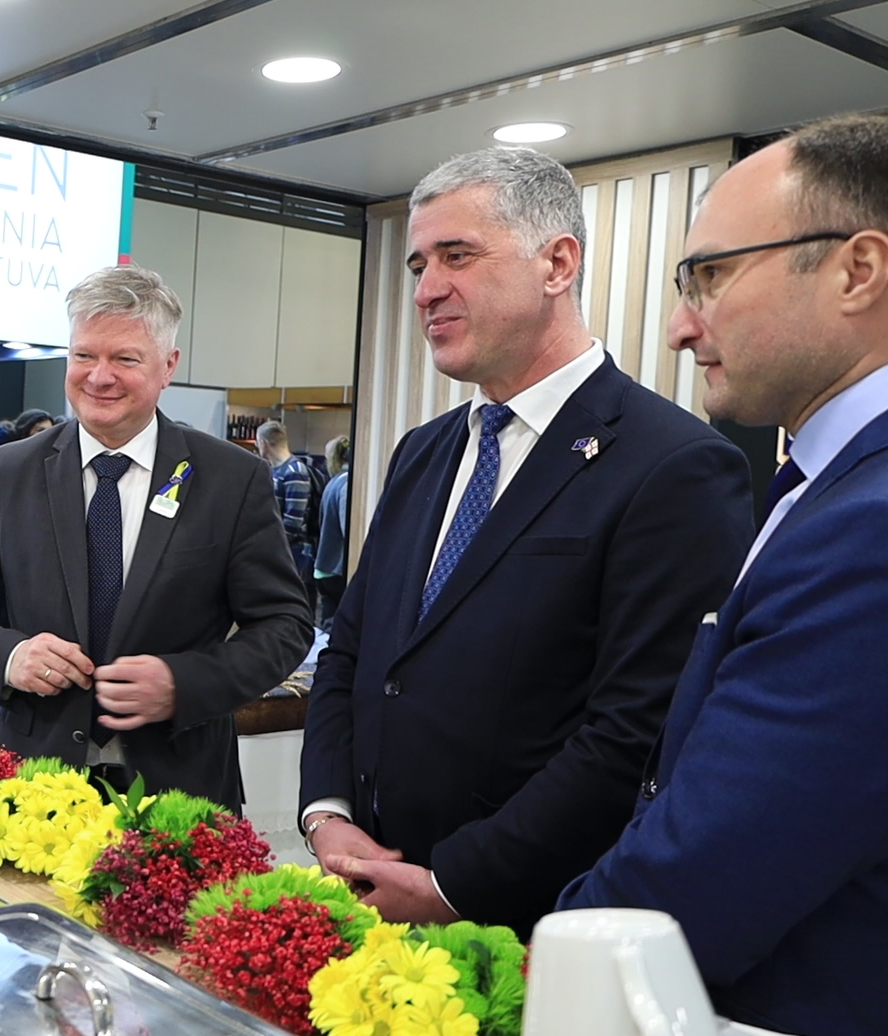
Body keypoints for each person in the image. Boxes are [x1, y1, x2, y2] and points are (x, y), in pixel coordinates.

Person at [558, 115, 888, 1036]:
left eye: (710, 276)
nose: (679, 325)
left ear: (860, 270)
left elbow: (719, 864)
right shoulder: (868, 474)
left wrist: (553, 965)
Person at [298, 146, 755, 934]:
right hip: (372, 896)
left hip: (532, 925)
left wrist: (452, 883)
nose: (426, 289)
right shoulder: (424, 452)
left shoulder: (674, 466)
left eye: (457, 256)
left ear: (557, 264)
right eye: (418, 265)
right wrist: (327, 814)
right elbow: (353, 651)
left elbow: (635, 733)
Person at [0, 264, 312, 808]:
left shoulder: (231, 479)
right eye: (84, 356)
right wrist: (10, 655)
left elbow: (285, 625)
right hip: (38, 792)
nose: (99, 377)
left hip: (181, 791)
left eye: (125, 359)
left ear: (168, 366)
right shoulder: (12, 471)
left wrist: (185, 683)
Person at [256, 421, 316, 583]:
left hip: (292, 550)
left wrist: (272, 545)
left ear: (263, 443)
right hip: (279, 547)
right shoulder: (274, 470)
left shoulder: (295, 472)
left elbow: (293, 521)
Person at [310, 436, 351, 630]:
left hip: (324, 567)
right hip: (338, 568)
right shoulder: (348, 485)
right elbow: (348, 531)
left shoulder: (334, 482)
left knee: (327, 627)